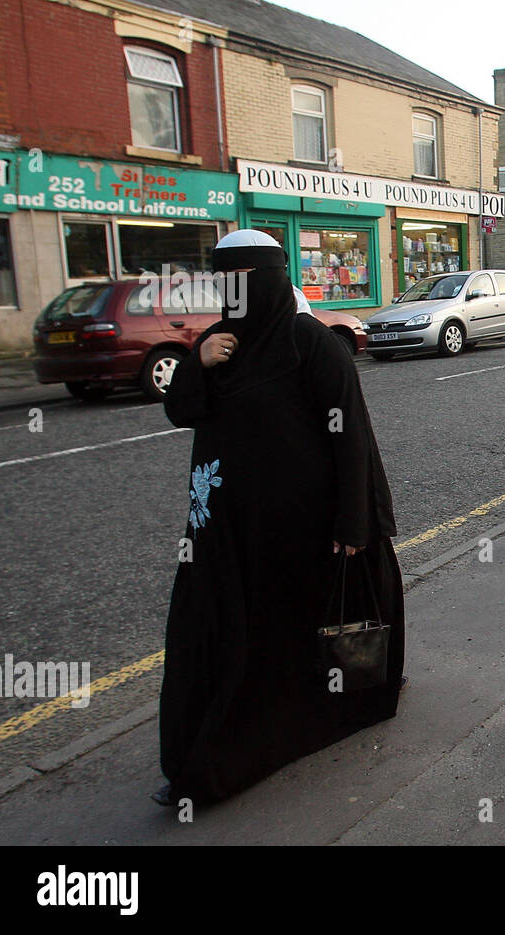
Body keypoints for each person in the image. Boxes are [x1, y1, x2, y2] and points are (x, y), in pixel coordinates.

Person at [155, 229, 405, 807]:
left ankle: (263, 739)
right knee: (220, 632)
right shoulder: (220, 344)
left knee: (289, 634)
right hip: (225, 529)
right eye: (224, 283)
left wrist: (353, 524)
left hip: (303, 529)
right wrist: (198, 364)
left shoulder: (309, 341)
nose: (233, 295)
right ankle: (213, 747)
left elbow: (352, 439)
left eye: (243, 282)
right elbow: (181, 412)